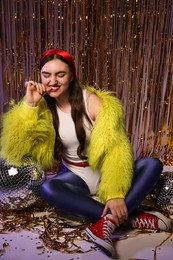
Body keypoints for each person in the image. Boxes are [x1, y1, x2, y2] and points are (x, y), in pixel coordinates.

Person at [0, 48, 171, 257]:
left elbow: (116, 148)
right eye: (47, 75)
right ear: (40, 76)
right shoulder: (42, 106)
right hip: (77, 176)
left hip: (108, 172)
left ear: (71, 75)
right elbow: (16, 150)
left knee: (153, 164)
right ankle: (129, 217)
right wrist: (29, 106)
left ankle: (105, 222)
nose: (52, 81)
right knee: (48, 188)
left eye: (60, 74)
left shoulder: (92, 101)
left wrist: (115, 193)